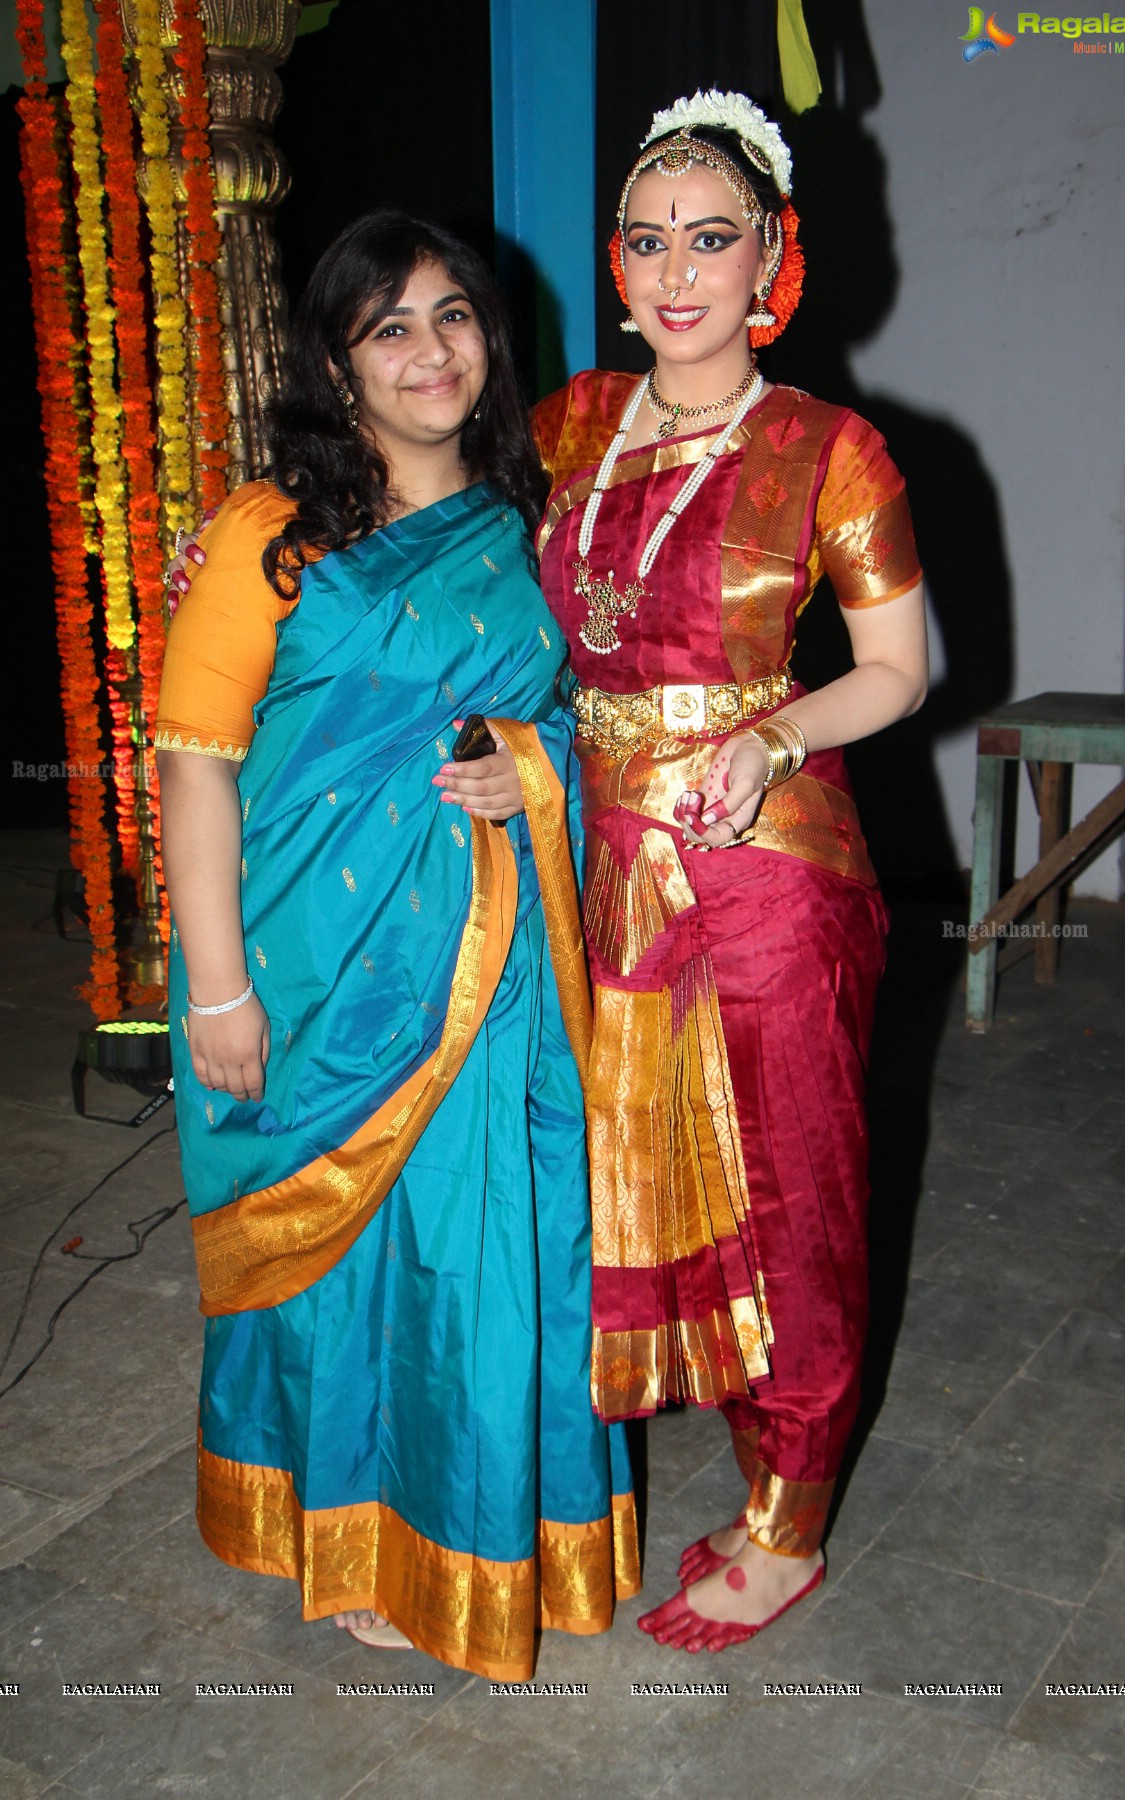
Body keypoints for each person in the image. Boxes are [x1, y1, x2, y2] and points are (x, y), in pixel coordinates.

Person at [154, 209, 639, 1680]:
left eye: (454, 317)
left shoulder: (528, 526)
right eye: (390, 327)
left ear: (490, 341)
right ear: (335, 362)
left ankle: (491, 1528)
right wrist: (221, 987)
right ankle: (346, 1530)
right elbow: (194, 765)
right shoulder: (263, 536)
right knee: (341, 1259)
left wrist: (531, 763)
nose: (431, 352)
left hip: (490, 976)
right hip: (312, 972)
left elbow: (589, 715)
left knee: (486, 1251)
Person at [523, 90, 928, 1653]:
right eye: (649, 241)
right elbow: (436, 539)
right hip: (591, 857)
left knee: (791, 1196)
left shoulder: (833, 448)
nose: (677, 270)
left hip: (763, 869)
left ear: (774, 259)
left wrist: (772, 737)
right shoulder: (563, 425)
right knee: (615, 1188)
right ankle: (646, 1466)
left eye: (713, 239)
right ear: (616, 266)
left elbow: (898, 666)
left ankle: (790, 1518)